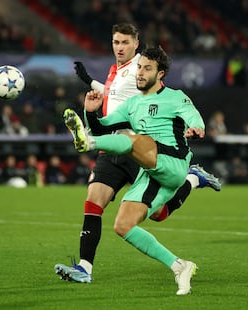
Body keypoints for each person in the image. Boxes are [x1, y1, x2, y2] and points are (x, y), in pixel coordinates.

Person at [55, 23, 220, 287]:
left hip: (166, 157)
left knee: (132, 143)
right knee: (122, 223)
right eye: (115, 42)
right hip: (135, 156)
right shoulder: (125, 88)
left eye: (145, 68)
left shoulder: (174, 96)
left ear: (136, 44)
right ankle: (178, 265)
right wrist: (90, 111)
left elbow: (193, 114)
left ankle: (189, 177)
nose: (140, 73)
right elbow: (103, 122)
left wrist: (196, 126)